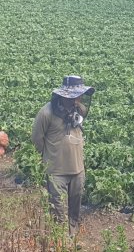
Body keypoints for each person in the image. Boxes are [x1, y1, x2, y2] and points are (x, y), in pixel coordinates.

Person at [32, 75, 95, 238]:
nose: (80, 98)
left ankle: (72, 235)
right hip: (56, 171)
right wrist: (49, 156)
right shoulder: (46, 112)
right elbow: (37, 138)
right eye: (77, 94)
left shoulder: (79, 109)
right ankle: (59, 243)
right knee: (58, 209)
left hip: (77, 169)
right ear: (66, 95)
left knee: (75, 206)